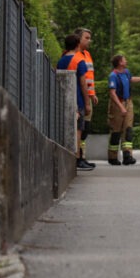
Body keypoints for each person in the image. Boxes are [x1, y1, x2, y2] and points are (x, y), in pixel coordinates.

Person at [106, 54, 140, 166]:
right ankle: (112, 157)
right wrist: (121, 107)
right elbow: (112, 94)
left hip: (128, 102)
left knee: (128, 129)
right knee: (116, 131)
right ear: (119, 63)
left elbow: (131, 79)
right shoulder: (113, 76)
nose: (126, 61)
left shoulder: (126, 72)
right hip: (117, 103)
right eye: (124, 60)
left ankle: (127, 155)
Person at [57, 34, 95, 171]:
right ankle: (77, 158)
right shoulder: (79, 60)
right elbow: (83, 84)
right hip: (77, 99)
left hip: (63, 98)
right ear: (78, 44)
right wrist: (87, 103)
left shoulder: (62, 59)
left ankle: (72, 157)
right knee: (78, 130)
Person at [74, 28, 97, 165]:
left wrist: (93, 94)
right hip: (81, 96)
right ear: (78, 39)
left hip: (88, 95)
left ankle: (82, 156)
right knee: (81, 127)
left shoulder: (87, 54)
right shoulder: (75, 55)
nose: (89, 41)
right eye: (86, 38)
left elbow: (90, 77)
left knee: (85, 127)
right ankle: (79, 157)